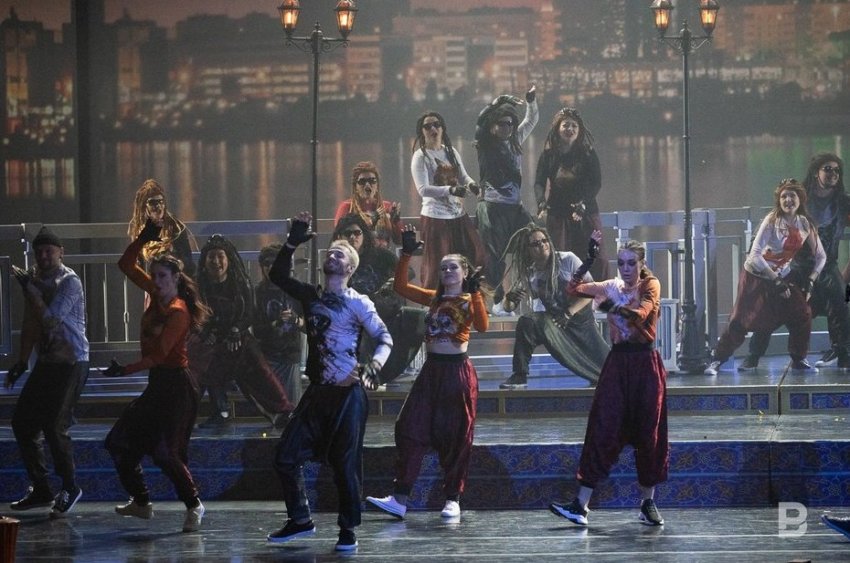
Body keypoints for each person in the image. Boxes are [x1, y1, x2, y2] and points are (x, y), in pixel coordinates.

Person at [266, 211, 392, 552]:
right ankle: (300, 519)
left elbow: (385, 339)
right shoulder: (312, 296)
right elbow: (278, 275)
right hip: (318, 394)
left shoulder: (358, 303)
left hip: (348, 396)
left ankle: (348, 529)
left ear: (350, 267)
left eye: (339, 254)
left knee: (345, 466)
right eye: (330, 252)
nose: (332, 256)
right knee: (285, 457)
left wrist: (373, 366)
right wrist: (291, 243)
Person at [366, 226, 488, 520]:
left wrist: (475, 293)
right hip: (431, 371)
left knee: (457, 434)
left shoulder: (469, 299)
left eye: (453, 267)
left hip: (457, 373)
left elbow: (482, 326)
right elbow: (400, 287)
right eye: (443, 267)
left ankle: (453, 498)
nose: (447, 271)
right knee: (410, 427)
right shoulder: (434, 298)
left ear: (465, 272)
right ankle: (400, 498)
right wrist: (406, 254)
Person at [549, 239, 668, 527]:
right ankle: (580, 505)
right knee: (603, 427)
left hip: (644, 365)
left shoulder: (650, 285)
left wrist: (614, 307)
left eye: (631, 263)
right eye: (621, 263)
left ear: (641, 263)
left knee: (648, 433)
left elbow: (641, 316)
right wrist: (588, 260)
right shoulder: (610, 286)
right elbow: (573, 289)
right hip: (617, 364)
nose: (626, 268)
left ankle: (647, 503)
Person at [103, 219, 211, 532]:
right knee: (119, 443)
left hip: (177, 388)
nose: (156, 281)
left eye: (162, 276)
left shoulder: (178, 311)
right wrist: (142, 239)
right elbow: (125, 264)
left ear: (176, 278)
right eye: (154, 275)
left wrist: (124, 370)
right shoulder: (154, 292)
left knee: (166, 453)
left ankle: (194, 505)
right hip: (158, 386)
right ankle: (141, 501)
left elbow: (160, 356)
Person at [5, 226, 89, 517]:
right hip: (48, 363)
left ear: (60, 252)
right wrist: (21, 361)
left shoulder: (70, 281)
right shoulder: (36, 279)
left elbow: (52, 320)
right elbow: (31, 323)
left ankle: (70, 486)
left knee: (54, 424)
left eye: (48, 250)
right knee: (22, 422)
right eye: (39, 251)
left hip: (72, 361)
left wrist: (31, 290)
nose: (43, 256)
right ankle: (41, 487)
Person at [705, 179, 826, 375]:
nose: (788, 200)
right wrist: (776, 280)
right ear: (778, 200)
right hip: (756, 275)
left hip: (782, 275)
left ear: (800, 199)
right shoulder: (772, 220)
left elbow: (821, 256)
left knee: (802, 312)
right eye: (784, 196)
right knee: (740, 320)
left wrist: (812, 278)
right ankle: (717, 359)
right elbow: (755, 255)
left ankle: (799, 359)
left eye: (792, 196)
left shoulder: (804, 224)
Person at [742, 155, 848, 370]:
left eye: (837, 171)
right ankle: (754, 354)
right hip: (797, 265)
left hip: (827, 265)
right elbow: (774, 220)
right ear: (816, 172)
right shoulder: (800, 197)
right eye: (828, 169)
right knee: (775, 306)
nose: (833, 174)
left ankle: (842, 352)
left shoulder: (843, 203)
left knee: (841, 301)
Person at [190, 234, 293, 427]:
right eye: (212, 257)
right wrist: (204, 332)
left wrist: (236, 330)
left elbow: (248, 313)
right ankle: (218, 412)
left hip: (237, 338)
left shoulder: (240, 282)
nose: (216, 261)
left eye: (220, 256)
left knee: (257, 365)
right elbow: (193, 316)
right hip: (211, 341)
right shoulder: (198, 286)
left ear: (228, 259)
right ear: (205, 260)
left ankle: (282, 410)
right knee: (204, 364)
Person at [498, 225, 609, 388]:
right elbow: (508, 307)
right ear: (528, 250)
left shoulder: (568, 260)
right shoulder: (530, 273)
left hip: (581, 323)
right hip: (556, 324)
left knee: (608, 370)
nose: (542, 245)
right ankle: (519, 375)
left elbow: (591, 291)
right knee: (527, 322)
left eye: (544, 241)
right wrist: (508, 298)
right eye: (536, 244)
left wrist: (569, 312)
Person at [332, 214, 426, 385]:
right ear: (340, 236)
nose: (353, 237)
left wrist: (392, 281)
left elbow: (408, 272)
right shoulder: (338, 260)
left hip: (386, 311)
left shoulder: (380, 255)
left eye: (357, 232)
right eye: (348, 233)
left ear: (364, 234)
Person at [474, 85, 539, 312]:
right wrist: (497, 102)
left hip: (515, 207)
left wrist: (531, 101)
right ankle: (496, 301)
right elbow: (480, 123)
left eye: (510, 123)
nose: (507, 127)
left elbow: (531, 121)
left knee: (536, 239)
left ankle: (533, 291)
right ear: (493, 126)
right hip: (493, 207)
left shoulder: (515, 141)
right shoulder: (485, 144)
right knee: (495, 255)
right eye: (502, 123)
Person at [411, 111, 487, 289]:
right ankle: (434, 301)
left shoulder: (451, 152)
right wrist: (451, 190)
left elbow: (463, 176)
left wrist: (472, 186)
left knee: (476, 255)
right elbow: (423, 190)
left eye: (436, 124)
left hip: (457, 215)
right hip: (435, 217)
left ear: (442, 128)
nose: (433, 129)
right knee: (437, 265)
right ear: (422, 131)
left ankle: (469, 295)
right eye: (427, 126)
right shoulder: (420, 156)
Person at [534, 107, 608, 280]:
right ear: (557, 128)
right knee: (560, 260)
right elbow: (539, 182)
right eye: (566, 125)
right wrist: (541, 202)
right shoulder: (549, 155)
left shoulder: (588, 153)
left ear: (579, 130)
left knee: (598, 259)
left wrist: (583, 203)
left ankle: (599, 294)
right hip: (558, 214)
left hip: (586, 212)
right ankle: (563, 294)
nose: (570, 129)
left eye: (574, 126)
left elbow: (596, 183)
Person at [254, 243, 303, 402]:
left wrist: (296, 320)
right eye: (266, 263)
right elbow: (257, 331)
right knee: (273, 406)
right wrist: (276, 324)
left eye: (274, 263)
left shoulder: (296, 289)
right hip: (267, 357)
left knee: (292, 406)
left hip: (290, 356)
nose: (270, 267)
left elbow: (311, 326)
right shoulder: (258, 292)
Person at [127, 178, 196, 277]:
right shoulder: (139, 229)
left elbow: (188, 261)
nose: (158, 206)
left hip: (173, 279)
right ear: (144, 206)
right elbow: (136, 262)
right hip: (150, 280)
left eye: (161, 201)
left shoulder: (176, 228)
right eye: (153, 203)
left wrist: (180, 264)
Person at [333, 161, 402, 247]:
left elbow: (399, 240)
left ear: (377, 185)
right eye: (362, 182)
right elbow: (338, 238)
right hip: (358, 254)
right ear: (355, 187)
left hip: (383, 253)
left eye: (372, 181)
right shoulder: (347, 207)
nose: (367, 185)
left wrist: (396, 222)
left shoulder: (386, 207)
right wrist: (371, 220)